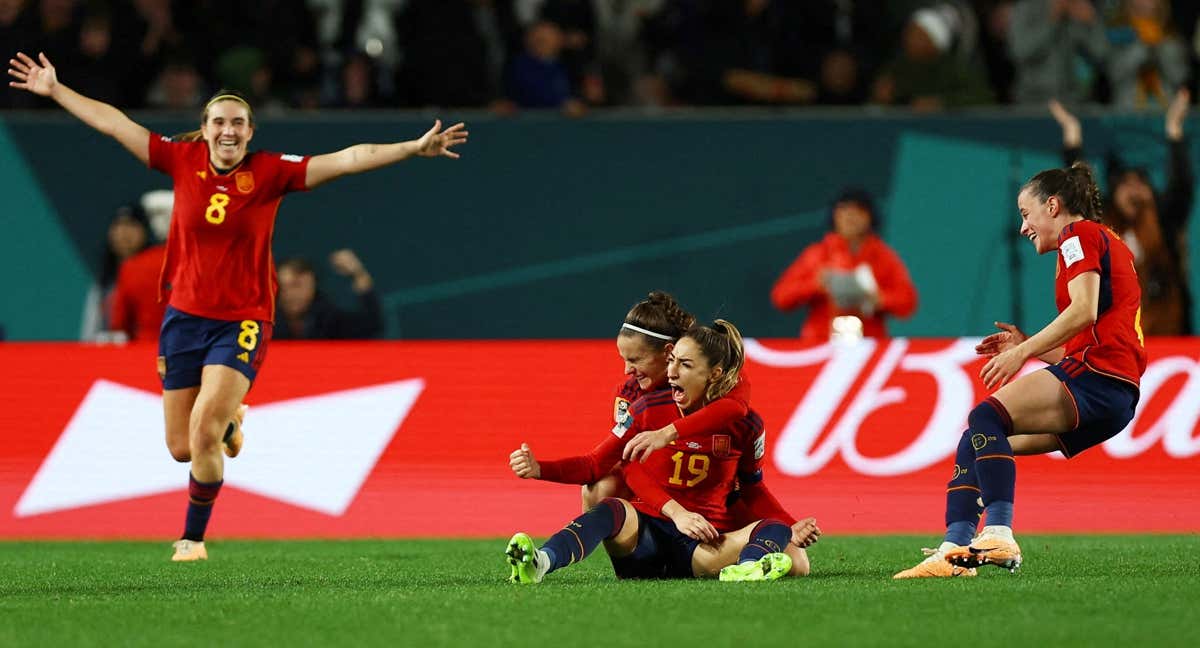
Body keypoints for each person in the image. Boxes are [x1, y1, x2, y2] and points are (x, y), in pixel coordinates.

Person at [7, 50, 467, 562]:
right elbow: (115, 124)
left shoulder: (270, 173)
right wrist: (56, 90)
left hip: (243, 319)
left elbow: (347, 157)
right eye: (220, 122)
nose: (229, 131)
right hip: (183, 318)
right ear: (203, 129)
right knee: (182, 447)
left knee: (202, 429)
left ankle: (193, 537)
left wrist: (411, 147)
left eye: (239, 124)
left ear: (250, 132)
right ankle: (230, 424)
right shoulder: (179, 160)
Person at [894, 162, 1145, 578]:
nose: (1023, 227)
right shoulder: (1101, 240)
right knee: (977, 439)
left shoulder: (1077, 235)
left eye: (1026, 214)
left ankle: (998, 532)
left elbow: (1082, 311)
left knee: (986, 415)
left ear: (1053, 205)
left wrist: (1020, 352)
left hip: (1099, 379)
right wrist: (1028, 349)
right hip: (1113, 390)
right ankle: (954, 551)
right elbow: (1092, 333)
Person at [507, 320, 819, 584]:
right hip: (646, 533)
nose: (671, 373)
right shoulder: (645, 408)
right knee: (610, 507)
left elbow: (752, 487)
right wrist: (540, 469)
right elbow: (595, 463)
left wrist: (790, 524)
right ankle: (541, 562)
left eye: (685, 365)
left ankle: (747, 569)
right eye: (672, 362)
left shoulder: (745, 424)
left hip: (704, 542)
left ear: (714, 374)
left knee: (779, 532)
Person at [1049, 91, 1193, 334]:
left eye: (1140, 185)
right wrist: (1072, 136)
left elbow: (1181, 188)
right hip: (1115, 337)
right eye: (1126, 185)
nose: (1134, 192)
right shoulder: (1102, 226)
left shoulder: (1162, 222)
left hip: (1166, 335)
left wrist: (1174, 131)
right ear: (1114, 194)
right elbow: (1076, 192)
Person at [770, 188, 918, 343]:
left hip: (868, 346)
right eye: (844, 211)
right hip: (821, 344)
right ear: (835, 216)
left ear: (869, 217)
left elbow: (908, 301)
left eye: (858, 211)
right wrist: (815, 285)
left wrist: (878, 299)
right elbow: (781, 297)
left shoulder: (883, 257)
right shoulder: (817, 255)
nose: (850, 217)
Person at [274, 250, 383, 340]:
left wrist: (358, 274)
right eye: (282, 286)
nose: (289, 293)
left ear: (312, 286)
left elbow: (372, 324)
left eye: (297, 285)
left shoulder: (331, 322)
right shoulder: (264, 326)